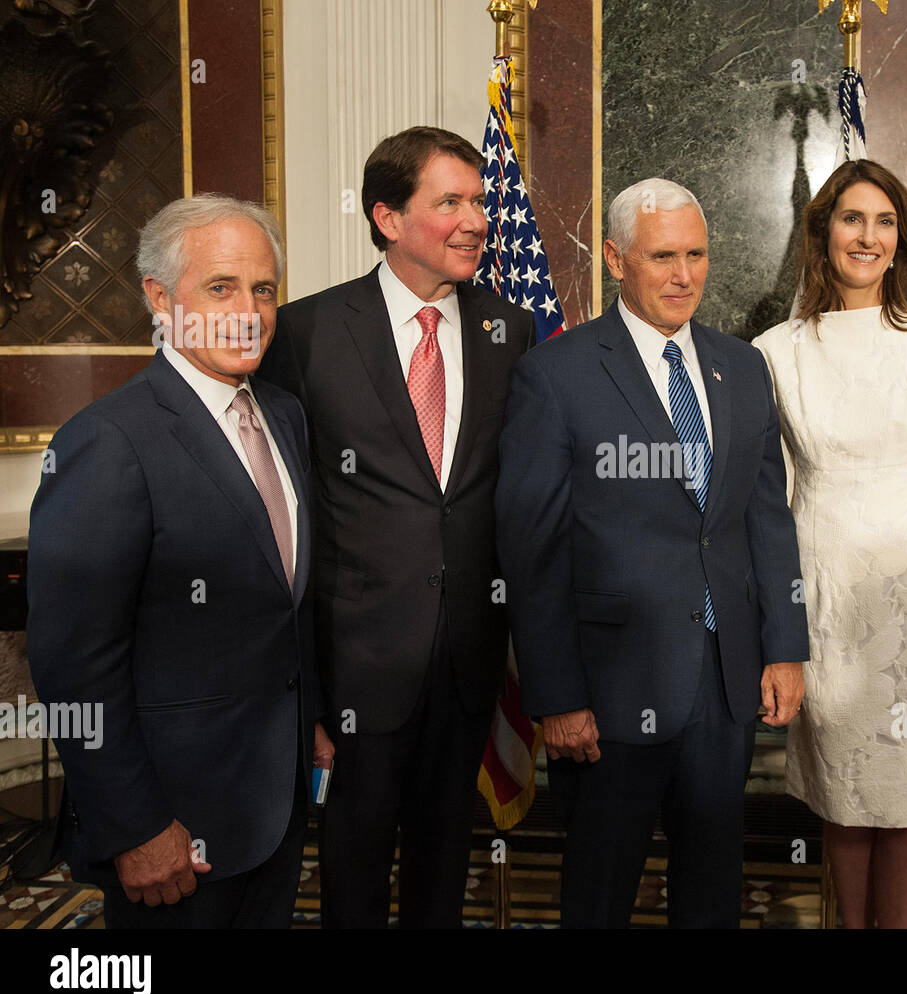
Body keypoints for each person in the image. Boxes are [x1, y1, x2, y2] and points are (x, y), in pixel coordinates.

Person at [496, 177, 809, 928]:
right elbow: (532, 552)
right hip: (608, 691)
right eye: (663, 256)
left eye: (697, 254)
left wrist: (785, 647)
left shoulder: (743, 367)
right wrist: (558, 695)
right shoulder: (556, 373)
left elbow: (765, 518)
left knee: (711, 894)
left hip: (725, 680)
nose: (684, 275)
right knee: (600, 896)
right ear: (615, 259)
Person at [26, 194, 331, 928]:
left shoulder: (284, 416)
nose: (249, 310)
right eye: (220, 287)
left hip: (276, 807)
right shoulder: (107, 443)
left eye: (263, 289)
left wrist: (312, 721)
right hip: (173, 833)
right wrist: (134, 826)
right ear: (160, 299)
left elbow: (286, 600)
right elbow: (74, 665)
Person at [257, 126, 535, 928]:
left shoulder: (507, 330)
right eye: (450, 202)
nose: (476, 219)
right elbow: (290, 519)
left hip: (468, 664)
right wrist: (306, 687)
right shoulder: (306, 335)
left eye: (478, 201)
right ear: (386, 216)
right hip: (356, 674)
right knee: (352, 875)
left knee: (444, 875)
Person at [753, 159, 907, 929]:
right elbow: (772, 502)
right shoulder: (776, 350)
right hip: (827, 604)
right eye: (852, 218)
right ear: (822, 232)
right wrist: (782, 634)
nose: (868, 236)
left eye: (885, 221)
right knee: (844, 797)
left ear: (901, 241)